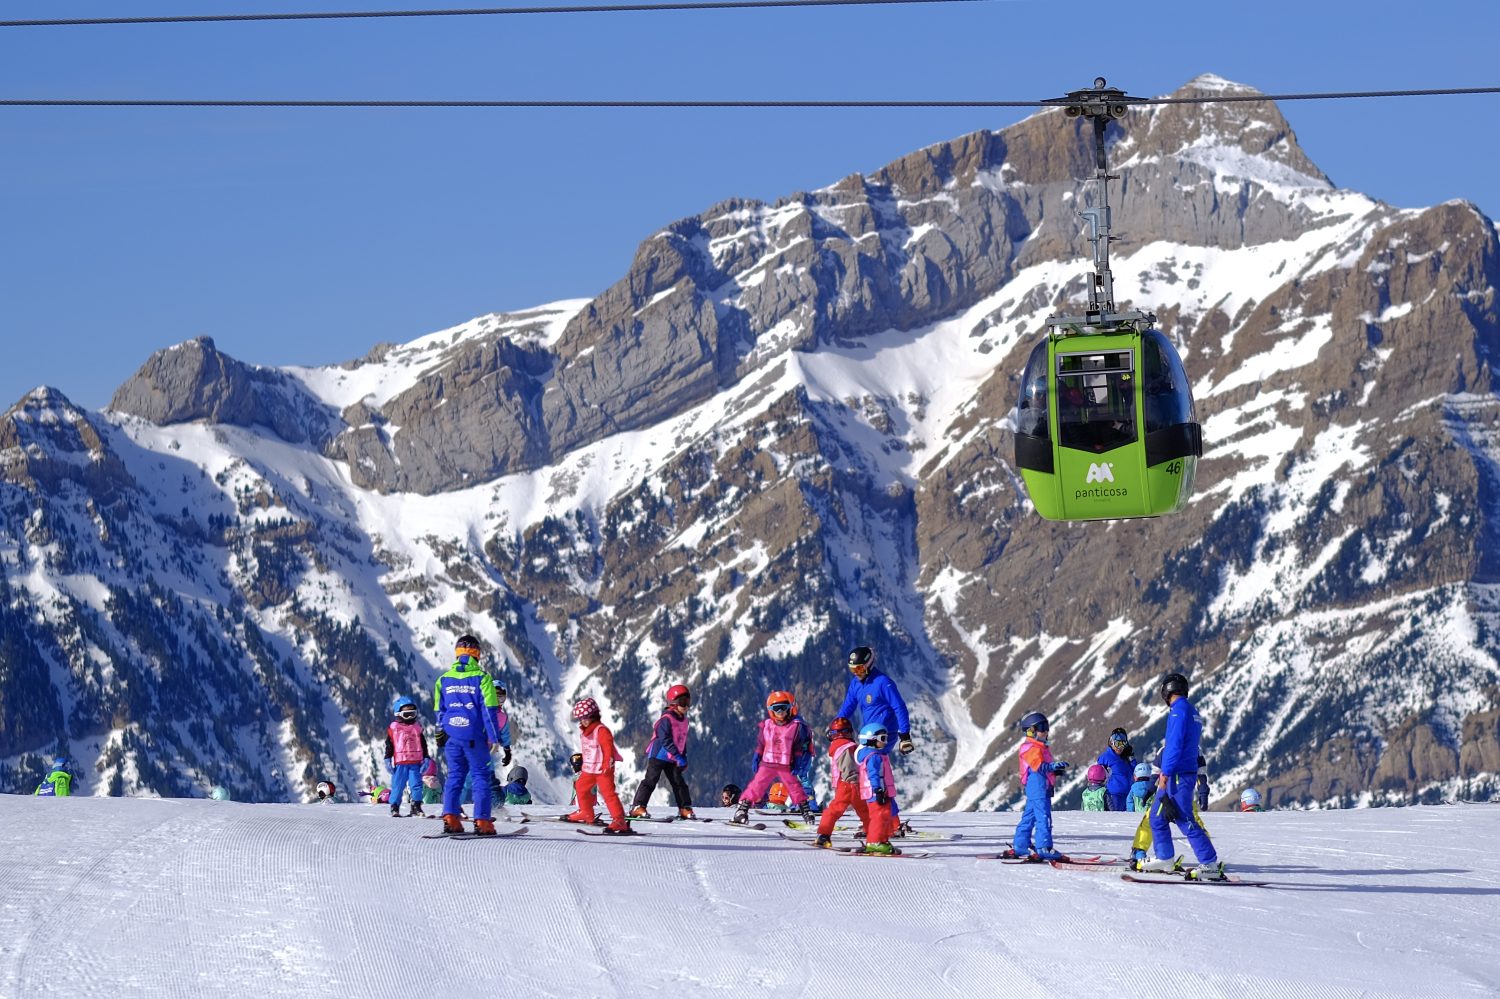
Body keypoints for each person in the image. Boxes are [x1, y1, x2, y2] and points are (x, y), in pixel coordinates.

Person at [1142, 673, 1224, 881]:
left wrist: (1164, 774)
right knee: (1157, 817)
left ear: (1167, 690)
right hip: (1181, 772)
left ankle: (1209, 863)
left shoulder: (1179, 711)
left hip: (1176, 775)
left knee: (1183, 818)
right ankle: (1165, 857)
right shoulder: (1192, 710)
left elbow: (1174, 746)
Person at [836, 646, 914, 832]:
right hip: (868, 735)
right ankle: (887, 822)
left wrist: (905, 736)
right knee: (873, 777)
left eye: (860, 669)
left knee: (874, 776)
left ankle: (882, 822)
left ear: (870, 665)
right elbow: (848, 707)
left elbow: (900, 707)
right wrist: (837, 726)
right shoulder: (856, 684)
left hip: (883, 736)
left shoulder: (883, 683)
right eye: (853, 670)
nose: (857, 673)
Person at [433, 633, 503, 836]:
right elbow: (489, 712)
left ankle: (451, 818)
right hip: (474, 737)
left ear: (457, 654)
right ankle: (482, 821)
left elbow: (440, 710)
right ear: (477, 655)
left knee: (455, 776)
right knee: (481, 776)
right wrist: (494, 738)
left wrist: (440, 732)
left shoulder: (443, 680)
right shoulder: (482, 679)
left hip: (452, 737)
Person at [732, 691, 813, 825]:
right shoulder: (767, 725)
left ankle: (806, 811)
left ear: (790, 708)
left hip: (785, 764)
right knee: (757, 786)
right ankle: (742, 810)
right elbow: (761, 743)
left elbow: (798, 747)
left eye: (784, 708)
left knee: (795, 787)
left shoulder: (795, 727)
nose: (780, 712)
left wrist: (798, 761)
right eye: (776, 709)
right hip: (768, 763)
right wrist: (757, 756)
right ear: (771, 711)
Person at [1004, 711, 1070, 861]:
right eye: (1041, 727)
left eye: (1047, 726)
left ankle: (1020, 845)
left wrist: (1055, 770)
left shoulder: (1037, 746)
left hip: (1038, 787)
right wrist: (1052, 766)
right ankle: (1044, 847)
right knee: (1043, 817)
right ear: (1031, 731)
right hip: (1039, 787)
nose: (1046, 730)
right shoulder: (1031, 748)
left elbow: (1040, 767)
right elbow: (1039, 766)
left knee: (1030, 817)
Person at [566, 696, 632, 834]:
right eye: (581, 718)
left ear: (594, 716)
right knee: (580, 787)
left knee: (608, 794)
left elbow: (608, 748)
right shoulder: (585, 732)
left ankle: (619, 821)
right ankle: (586, 812)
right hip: (589, 769)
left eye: (586, 717)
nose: (583, 721)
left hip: (603, 769)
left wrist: (608, 762)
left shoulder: (600, 730)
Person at [629, 684, 695, 819]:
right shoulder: (666, 719)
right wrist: (678, 755)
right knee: (651, 780)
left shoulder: (684, 721)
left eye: (688, 702)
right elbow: (664, 739)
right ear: (674, 704)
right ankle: (638, 807)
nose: (686, 706)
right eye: (683, 702)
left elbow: (682, 741)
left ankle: (684, 808)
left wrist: (683, 756)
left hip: (673, 758)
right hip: (659, 756)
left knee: (679, 783)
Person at [815, 717, 870, 848]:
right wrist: (854, 780)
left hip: (844, 784)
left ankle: (823, 834)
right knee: (864, 810)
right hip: (851, 783)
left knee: (835, 810)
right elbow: (849, 766)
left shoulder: (837, 747)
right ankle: (873, 835)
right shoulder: (847, 747)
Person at [384, 696, 430, 817]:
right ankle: (395, 806)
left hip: (415, 763)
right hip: (401, 764)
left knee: (416, 785)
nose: (410, 717)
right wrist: (387, 758)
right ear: (398, 714)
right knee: (398, 786)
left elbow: (423, 744)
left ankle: (416, 805)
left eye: (412, 714)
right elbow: (389, 745)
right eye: (407, 714)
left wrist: (426, 757)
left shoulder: (417, 728)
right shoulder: (394, 729)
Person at [1095, 727, 1135, 811]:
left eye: (1122, 744)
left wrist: (1131, 758)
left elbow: (1135, 772)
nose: (1119, 747)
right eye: (1117, 744)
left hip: (1128, 796)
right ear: (1111, 742)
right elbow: (1097, 773)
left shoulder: (1125, 758)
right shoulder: (1106, 757)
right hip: (1114, 795)